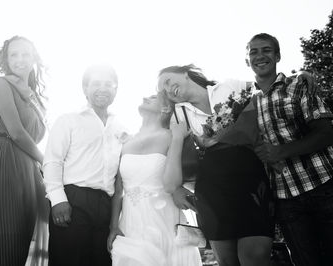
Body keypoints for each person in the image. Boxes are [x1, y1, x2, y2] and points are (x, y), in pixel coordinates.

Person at [157, 64, 274, 266]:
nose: (168, 90)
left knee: (255, 256)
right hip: (213, 193)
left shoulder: (230, 86)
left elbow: (268, 88)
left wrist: (298, 76)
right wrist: (176, 188)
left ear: (185, 73)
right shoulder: (177, 115)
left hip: (252, 182)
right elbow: (174, 156)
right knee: (227, 261)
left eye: (168, 81)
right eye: (163, 91)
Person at [247, 33, 333, 266]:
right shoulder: (246, 102)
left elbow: (326, 133)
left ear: (277, 56)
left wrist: (281, 151)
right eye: (253, 51)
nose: (260, 55)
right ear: (247, 61)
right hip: (285, 200)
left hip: (322, 187)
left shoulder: (298, 84)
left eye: (266, 50)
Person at [0, 36, 49, 266]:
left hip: (29, 168)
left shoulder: (35, 95)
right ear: (5, 60)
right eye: (14, 54)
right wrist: (48, 164)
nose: (20, 60)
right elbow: (16, 132)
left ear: (34, 57)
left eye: (26, 54)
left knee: (28, 237)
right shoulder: (1, 84)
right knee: (6, 238)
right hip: (3, 160)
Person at [43, 65, 125, 266]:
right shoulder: (68, 120)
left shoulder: (121, 128)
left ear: (116, 89)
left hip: (106, 205)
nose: (102, 89)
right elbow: (53, 160)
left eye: (108, 84)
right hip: (73, 201)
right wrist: (58, 199)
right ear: (85, 88)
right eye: (96, 84)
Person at [107, 92, 202, 266]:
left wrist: (178, 138)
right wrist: (113, 226)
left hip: (164, 218)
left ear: (165, 108)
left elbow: (171, 183)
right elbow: (118, 190)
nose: (144, 97)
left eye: (152, 97)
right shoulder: (125, 142)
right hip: (130, 221)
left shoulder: (172, 136)